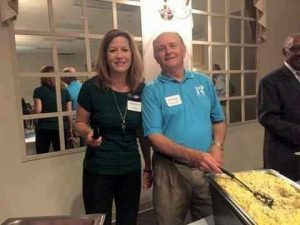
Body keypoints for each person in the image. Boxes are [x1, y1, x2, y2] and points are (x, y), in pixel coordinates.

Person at [142, 32, 226, 225]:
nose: (168, 51)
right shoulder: (152, 90)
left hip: (206, 167)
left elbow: (219, 120)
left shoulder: (204, 82)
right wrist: (191, 155)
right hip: (169, 171)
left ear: (184, 49)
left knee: (211, 220)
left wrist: (218, 146)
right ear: (155, 56)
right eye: (161, 49)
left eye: (173, 45)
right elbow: (154, 136)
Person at [74, 29, 152, 225]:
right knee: (99, 221)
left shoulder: (141, 89)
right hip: (99, 169)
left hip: (130, 168)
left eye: (125, 50)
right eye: (113, 50)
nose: (119, 56)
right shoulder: (92, 87)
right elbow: (78, 124)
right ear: (105, 55)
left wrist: (148, 167)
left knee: (128, 220)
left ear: (132, 54)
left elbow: (143, 132)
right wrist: (88, 133)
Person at [257, 33, 300, 181]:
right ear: (284, 52)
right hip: (284, 156)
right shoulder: (270, 81)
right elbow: (267, 117)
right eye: (294, 49)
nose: (299, 53)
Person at [33, 65, 72, 154]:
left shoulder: (39, 91)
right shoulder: (65, 91)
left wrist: (30, 112)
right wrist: (70, 128)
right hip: (62, 126)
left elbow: (38, 110)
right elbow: (69, 112)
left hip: (44, 127)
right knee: (62, 155)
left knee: (42, 155)